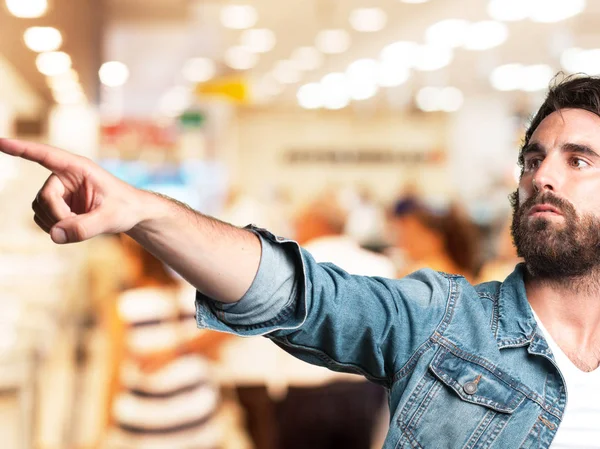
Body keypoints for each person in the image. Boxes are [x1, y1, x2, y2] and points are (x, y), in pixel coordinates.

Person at [3, 73, 600, 448]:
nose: (542, 175)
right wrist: (144, 211)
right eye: (532, 158)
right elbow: (296, 292)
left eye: (579, 160)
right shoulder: (443, 321)